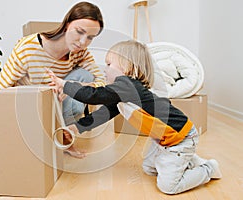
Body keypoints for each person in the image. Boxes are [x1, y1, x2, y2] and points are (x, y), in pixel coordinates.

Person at [48, 40, 222, 194]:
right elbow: (103, 114)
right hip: (162, 140)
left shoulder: (127, 85)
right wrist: (76, 127)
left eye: (109, 64)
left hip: (181, 138)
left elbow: (94, 95)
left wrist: (65, 85)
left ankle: (208, 169)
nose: (104, 68)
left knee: (168, 186)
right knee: (149, 168)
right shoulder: (123, 94)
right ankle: (189, 160)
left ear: (128, 67)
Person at [0, 1, 106, 158]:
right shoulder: (27, 49)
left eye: (90, 37)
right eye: (79, 32)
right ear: (67, 24)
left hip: (58, 106)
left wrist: (72, 87)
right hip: (31, 108)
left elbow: (102, 83)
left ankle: (63, 137)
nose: (83, 42)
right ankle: (49, 138)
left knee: (84, 76)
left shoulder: (80, 53)